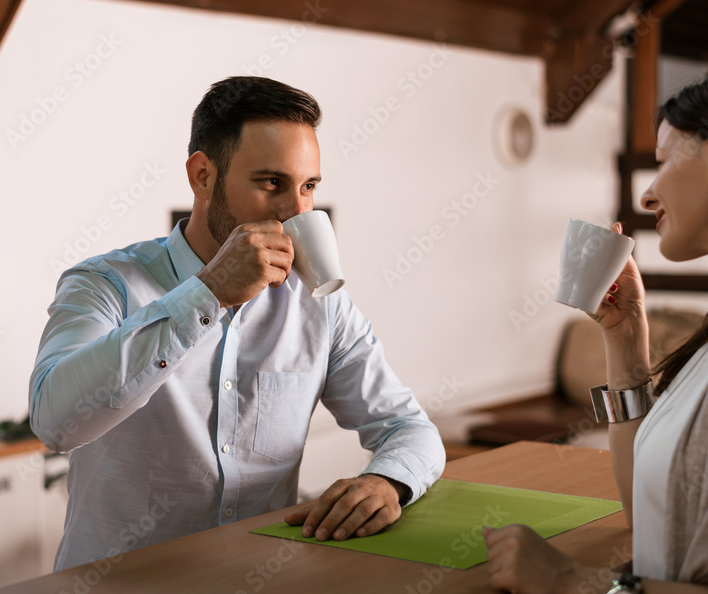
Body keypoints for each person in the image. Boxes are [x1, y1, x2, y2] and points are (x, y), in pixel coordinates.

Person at [28, 76, 445, 571]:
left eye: (308, 186)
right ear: (202, 176)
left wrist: (386, 481)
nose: (297, 210)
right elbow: (56, 422)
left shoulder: (320, 303)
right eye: (272, 183)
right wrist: (208, 294)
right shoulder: (105, 283)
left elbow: (407, 428)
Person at [484, 53, 708, 593]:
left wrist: (576, 582)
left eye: (664, 160)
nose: (646, 194)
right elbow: (649, 519)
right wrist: (625, 337)